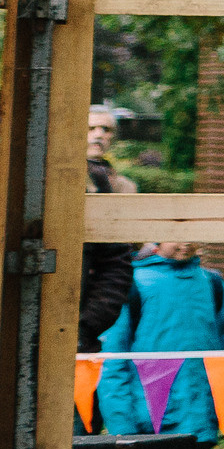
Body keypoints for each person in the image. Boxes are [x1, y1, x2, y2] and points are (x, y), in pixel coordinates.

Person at [96, 239, 224, 449]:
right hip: (145, 423)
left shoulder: (211, 282)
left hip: (199, 417)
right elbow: (113, 358)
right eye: (177, 234)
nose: (186, 241)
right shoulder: (134, 283)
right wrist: (122, 424)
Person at [79, 108, 138, 406]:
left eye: (105, 129)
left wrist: (88, 322)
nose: (98, 135)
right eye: (91, 128)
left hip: (103, 301)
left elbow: (120, 252)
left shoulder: (122, 185)